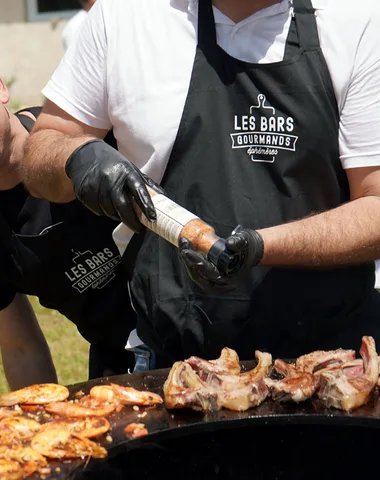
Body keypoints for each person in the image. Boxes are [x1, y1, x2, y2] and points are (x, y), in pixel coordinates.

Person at [21, 0, 380, 368]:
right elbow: (40, 153)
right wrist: (76, 156)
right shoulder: (124, 17)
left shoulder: (354, 18)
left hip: (332, 368)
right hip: (174, 370)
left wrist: (260, 248)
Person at [0, 76, 139, 387]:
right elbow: (20, 348)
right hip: (116, 369)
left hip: (201, 332)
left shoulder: (90, 128)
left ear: (1, 88)